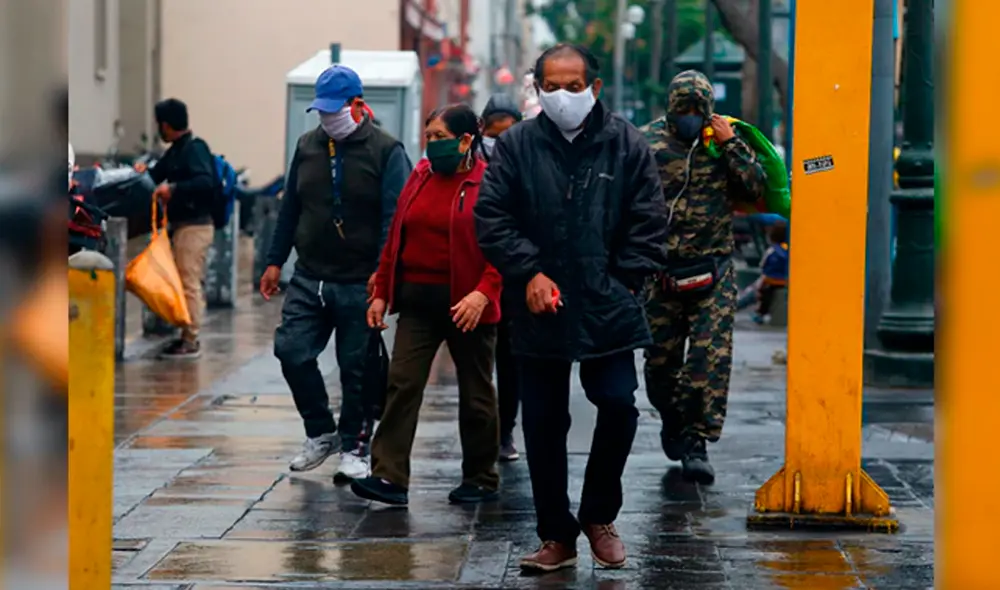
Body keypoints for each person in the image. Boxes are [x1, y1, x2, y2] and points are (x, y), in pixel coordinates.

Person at [475, 44, 668, 572]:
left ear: (595, 89)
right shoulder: (515, 145)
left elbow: (649, 221)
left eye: (574, 85)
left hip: (608, 303)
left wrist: (623, 283)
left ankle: (598, 516)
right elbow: (492, 217)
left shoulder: (625, 143)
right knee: (542, 422)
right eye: (552, 86)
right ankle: (555, 534)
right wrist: (529, 272)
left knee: (619, 406)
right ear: (537, 90)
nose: (564, 96)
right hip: (537, 308)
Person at [260, 65, 411, 482]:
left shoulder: (386, 150)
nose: (328, 120)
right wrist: (274, 261)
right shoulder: (308, 146)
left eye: (334, 111)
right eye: (321, 112)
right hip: (310, 275)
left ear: (357, 105)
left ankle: (357, 446)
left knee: (356, 367)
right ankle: (320, 432)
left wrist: (383, 276)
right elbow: (291, 206)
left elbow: (393, 219)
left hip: (360, 278)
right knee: (291, 350)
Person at [350, 104, 502, 506]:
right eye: (428, 136)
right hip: (418, 301)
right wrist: (382, 290)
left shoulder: (489, 184)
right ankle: (389, 476)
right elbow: (396, 237)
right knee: (401, 384)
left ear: (466, 140)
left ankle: (481, 476)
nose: (430, 144)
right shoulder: (419, 177)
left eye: (439, 137)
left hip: (468, 306)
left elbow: (504, 248)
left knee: (476, 392)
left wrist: (484, 292)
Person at [640, 70, 767, 485]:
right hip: (660, 272)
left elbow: (754, 189)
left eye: (700, 109)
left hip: (714, 268)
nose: (692, 116)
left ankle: (697, 441)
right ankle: (672, 419)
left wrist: (731, 144)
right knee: (661, 363)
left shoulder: (725, 143)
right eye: (685, 109)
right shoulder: (645, 143)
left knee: (709, 359)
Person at [134, 98, 218, 359]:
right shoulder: (176, 151)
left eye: (160, 124)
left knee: (188, 281)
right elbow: (156, 175)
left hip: (195, 228)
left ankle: (191, 339)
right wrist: (142, 173)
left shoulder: (195, 149)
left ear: (166, 125)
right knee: (181, 280)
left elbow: (206, 181)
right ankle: (184, 333)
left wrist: (175, 189)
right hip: (182, 227)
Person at [479, 94, 524, 462]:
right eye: (494, 135)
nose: (500, 142)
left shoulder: (528, 163)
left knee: (510, 363)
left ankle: (505, 429)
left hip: (513, 280)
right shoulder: (468, 163)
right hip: (474, 277)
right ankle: (480, 430)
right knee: (477, 362)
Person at [752, 220, 789, 324]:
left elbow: (763, 265)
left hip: (771, 281)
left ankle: (759, 313)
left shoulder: (772, 250)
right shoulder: (789, 249)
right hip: (786, 281)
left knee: (756, 292)